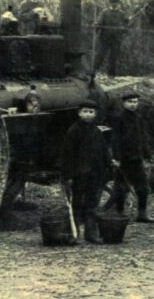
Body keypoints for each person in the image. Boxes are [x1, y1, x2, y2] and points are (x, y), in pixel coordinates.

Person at [59, 99, 115, 243]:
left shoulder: (96, 131)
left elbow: (103, 151)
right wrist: (68, 175)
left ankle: (91, 234)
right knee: (76, 203)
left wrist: (109, 165)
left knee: (92, 204)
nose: (88, 115)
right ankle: (73, 233)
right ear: (79, 113)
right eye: (85, 111)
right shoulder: (73, 131)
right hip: (79, 174)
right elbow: (68, 155)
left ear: (95, 114)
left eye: (91, 112)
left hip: (95, 173)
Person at [112, 94, 154, 223]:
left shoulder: (138, 118)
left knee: (143, 187)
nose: (133, 104)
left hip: (137, 159)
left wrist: (147, 154)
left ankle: (142, 214)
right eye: (130, 102)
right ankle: (119, 213)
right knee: (121, 188)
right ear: (124, 103)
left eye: (135, 102)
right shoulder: (119, 118)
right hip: (124, 159)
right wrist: (117, 158)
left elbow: (143, 138)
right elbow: (116, 140)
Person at [94, 0, 129, 77]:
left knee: (113, 58)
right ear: (110, 3)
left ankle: (111, 75)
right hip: (105, 38)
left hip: (116, 39)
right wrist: (96, 25)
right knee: (100, 55)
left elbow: (125, 25)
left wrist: (123, 28)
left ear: (118, 3)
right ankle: (93, 72)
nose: (114, 4)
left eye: (116, 3)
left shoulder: (122, 14)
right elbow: (99, 22)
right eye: (112, 3)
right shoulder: (104, 12)